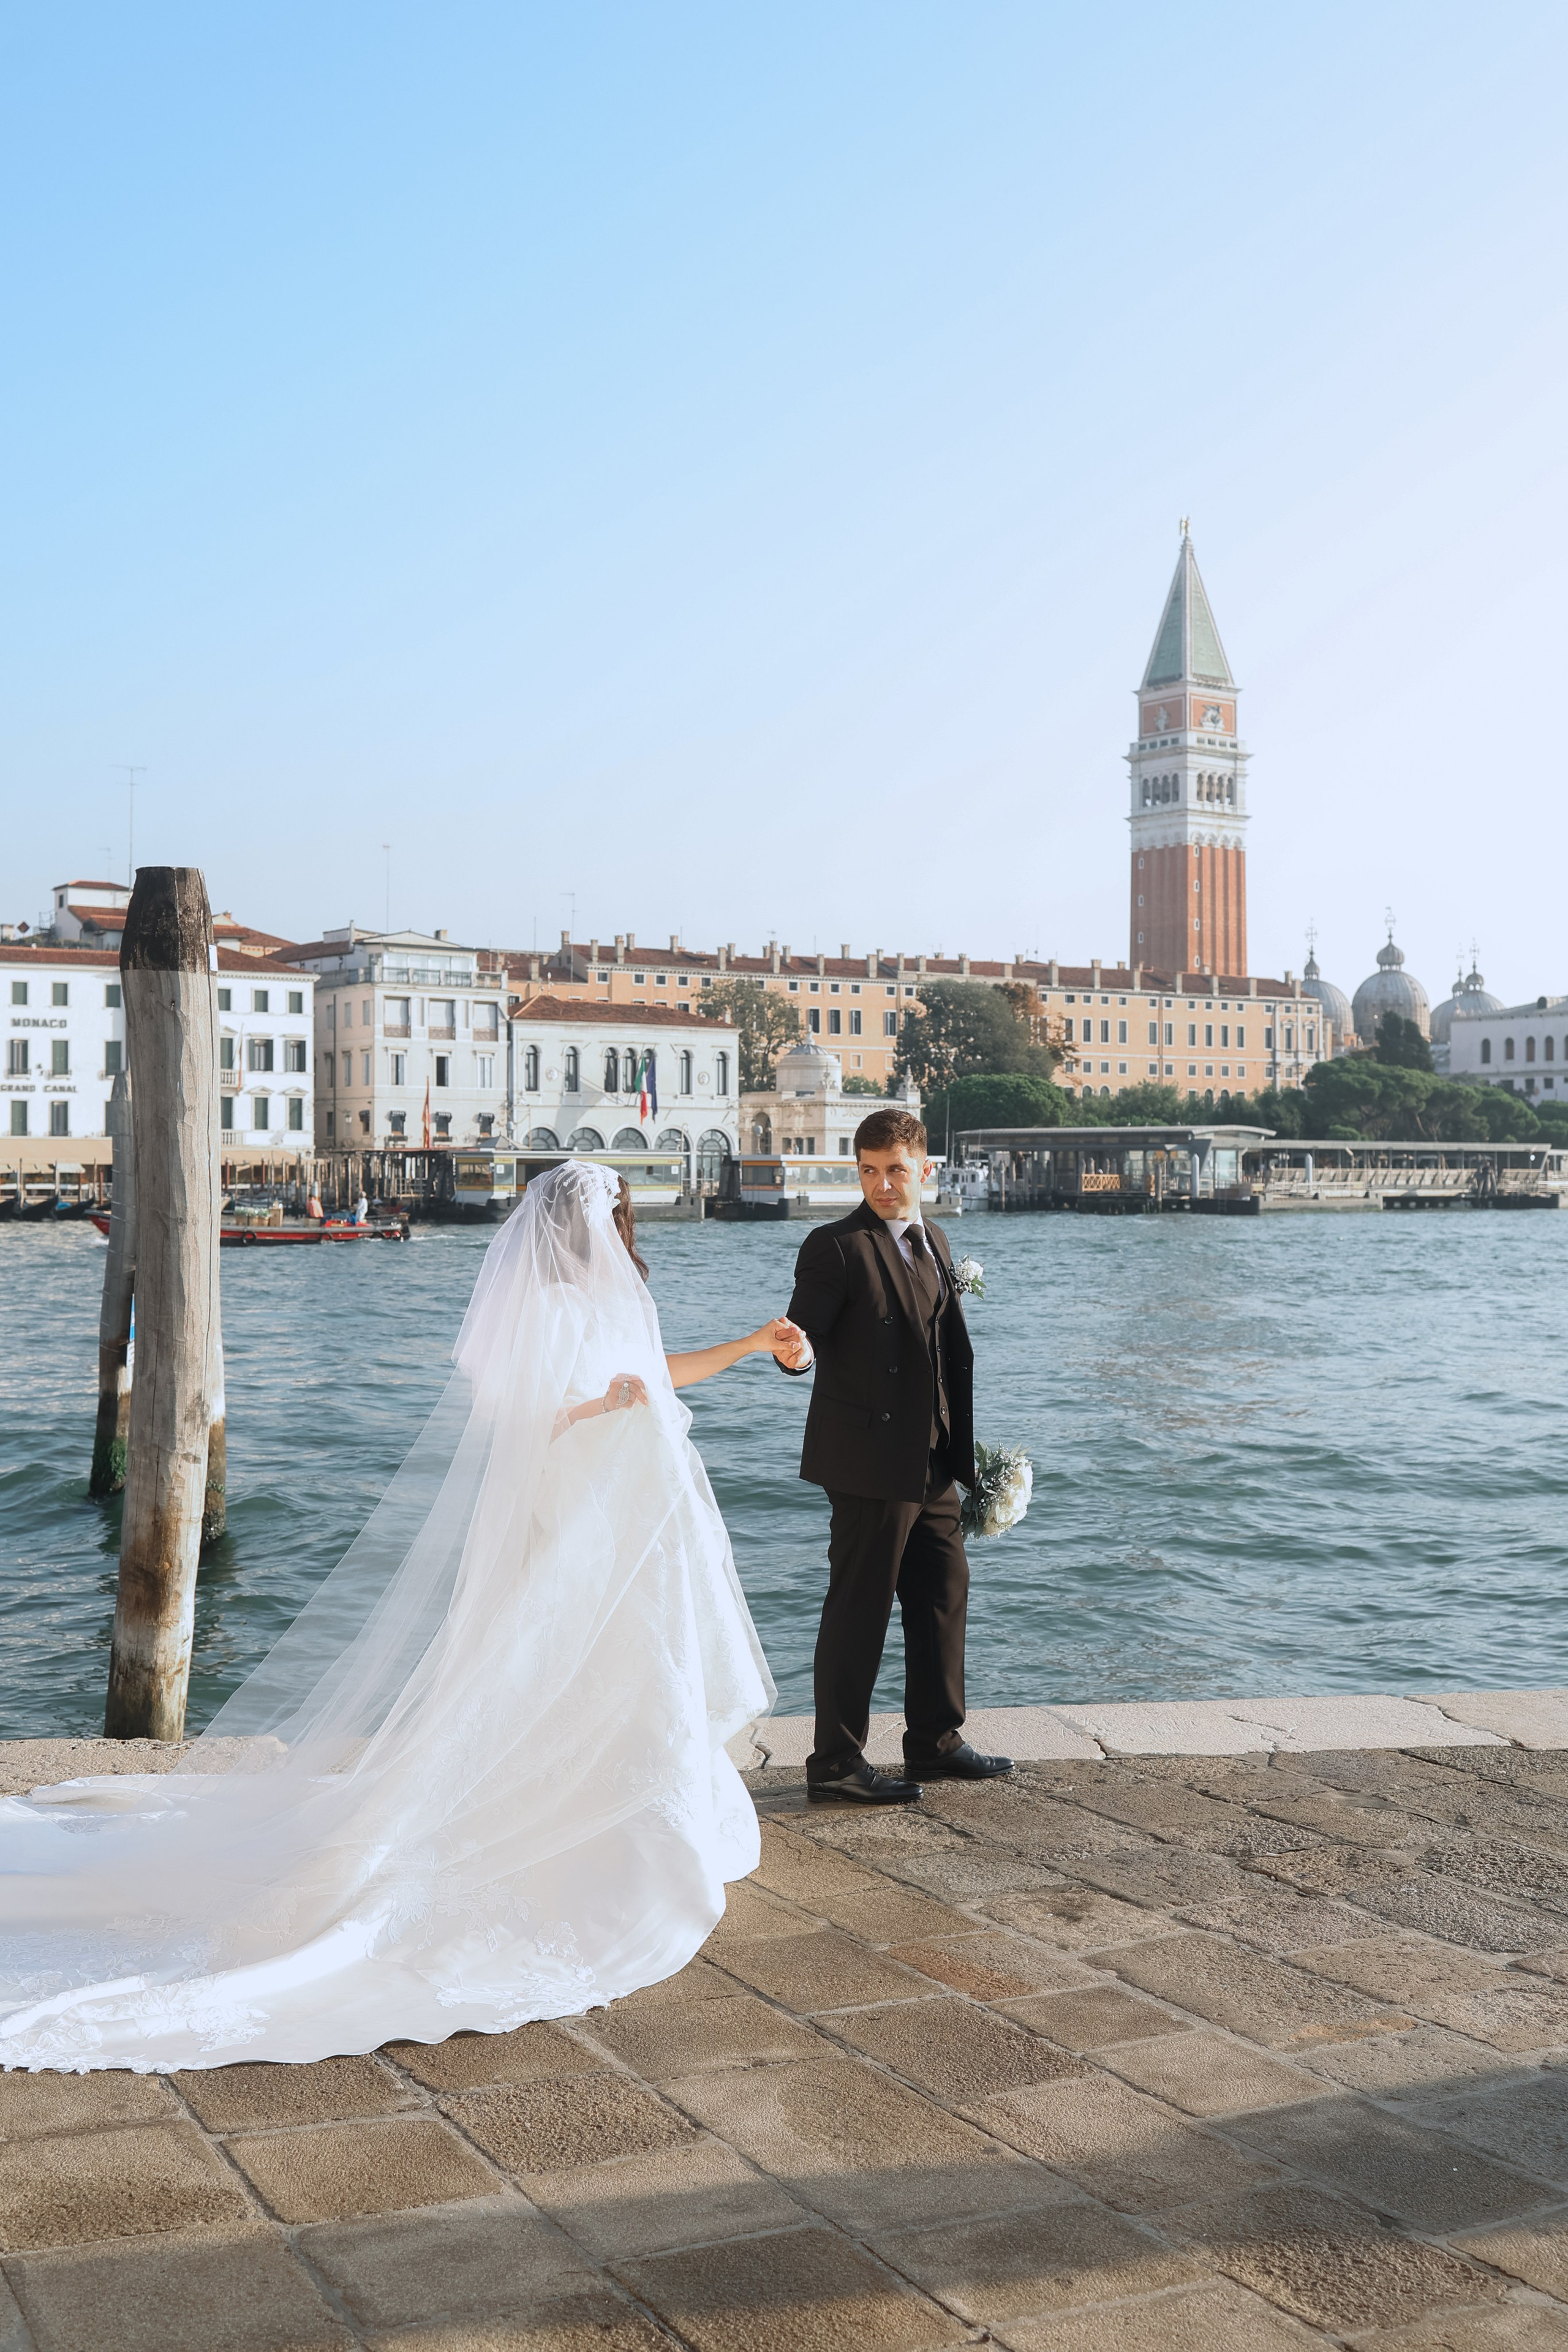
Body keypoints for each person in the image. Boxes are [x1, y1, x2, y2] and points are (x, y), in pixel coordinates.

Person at [0, 1161, 805, 2071]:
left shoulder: (613, 1298)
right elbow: (525, 1425)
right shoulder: (544, 1309)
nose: (610, 1234)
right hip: (579, 1519)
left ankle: (656, 1825)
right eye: (603, 1218)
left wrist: (749, 1345)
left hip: (632, 1519)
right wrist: (599, 1405)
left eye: (614, 1219)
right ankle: (606, 1847)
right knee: (579, 1671)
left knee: (638, 1674)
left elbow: (656, 1376)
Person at [779, 1106, 1012, 1804]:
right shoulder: (836, 1246)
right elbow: (804, 1334)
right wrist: (797, 1353)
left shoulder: (933, 1238)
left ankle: (934, 1742)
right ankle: (835, 1764)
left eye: (895, 1171)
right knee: (860, 1607)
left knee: (943, 1590)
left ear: (924, 1169)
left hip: (932, 1456)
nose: (882, 1184)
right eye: (869, 1171)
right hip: (868, 1459)